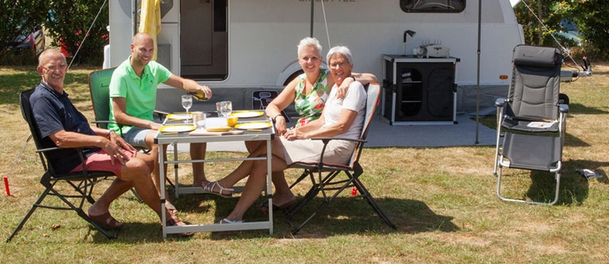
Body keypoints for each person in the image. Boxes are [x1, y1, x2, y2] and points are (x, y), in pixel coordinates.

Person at [29, 49, 189, 233]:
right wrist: (101, 142)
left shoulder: (57, 93)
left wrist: (107, 133)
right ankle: (167, 219)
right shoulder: (42, 99)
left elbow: (80, 127)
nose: (58, 71)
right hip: (72, 159)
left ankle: (99, 208)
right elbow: (60, 138)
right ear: (41, 70)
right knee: (138, 168)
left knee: (149, 161)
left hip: (86, 150)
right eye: (52, 68)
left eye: (62, 66)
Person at [203, 46, 367, 223]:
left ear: (351, 65)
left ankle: (227, 183)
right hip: (321, 140)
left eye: (342, 64)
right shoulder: (336, 87)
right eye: (334, 64)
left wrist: (305, 136)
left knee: (267, 144)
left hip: (336, 147)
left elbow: (342, 126)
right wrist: (297, 131)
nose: (337, 68)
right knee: (262, 163)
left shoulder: (353, 88)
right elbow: (321, 121)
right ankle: (236, 217)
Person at [109, 33, 212, 211]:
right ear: (132, 48)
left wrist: (198, 87)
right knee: (159, 139)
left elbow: (181, 83)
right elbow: (119, 116)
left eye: (150, 50)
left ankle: (199, 180)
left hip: (149, 124)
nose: (147, 54)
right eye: (142, 49)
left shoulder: (153, 69)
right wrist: (150, 124)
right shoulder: (121, 75)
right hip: (126, 129)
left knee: (197, 129)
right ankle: (161, 196)